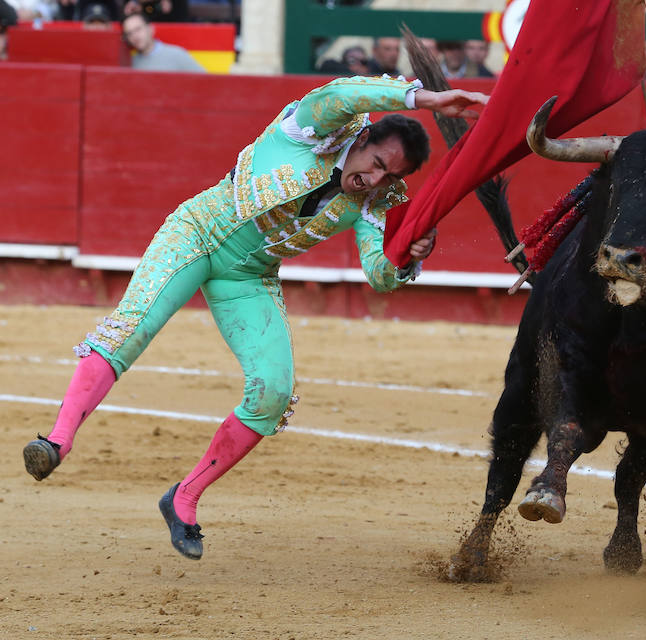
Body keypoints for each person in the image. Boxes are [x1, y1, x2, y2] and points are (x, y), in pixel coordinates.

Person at [22, 74, 489, 561]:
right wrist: (426, 99)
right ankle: (57, 442)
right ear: (364, 138)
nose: (374, 181)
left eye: (391, 177)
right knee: (131, 328)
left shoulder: (379, 200)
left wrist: (409, 256)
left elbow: (378, 273)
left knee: (273, 391)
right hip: (199, 231)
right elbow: (347, 93)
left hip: (249, 275)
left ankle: (183, 498)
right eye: (376, 166)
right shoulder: (320, 127)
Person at [122, 12, 205, 72]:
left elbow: (205, 81)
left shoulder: (177, 54)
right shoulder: (131, 63)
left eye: (138, 29)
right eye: (129, 33)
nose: (134, 36)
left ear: (151, 29)